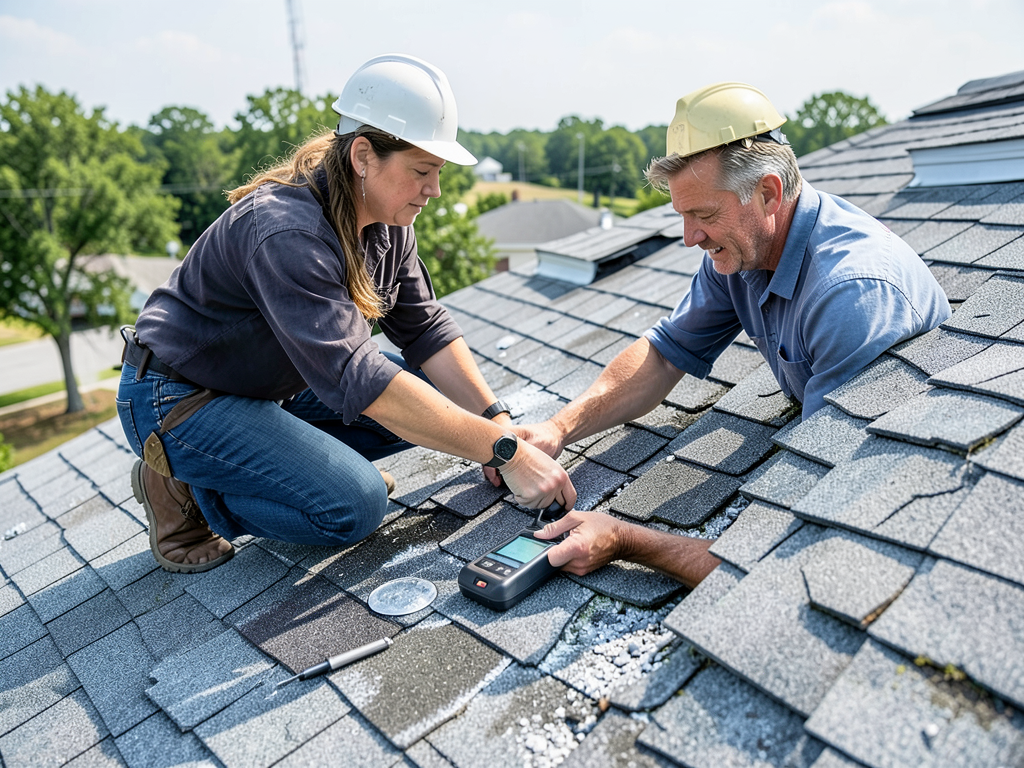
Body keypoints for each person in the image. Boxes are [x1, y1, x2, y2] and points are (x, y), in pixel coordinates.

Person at [117, 54, 575, 574]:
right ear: (363, 155)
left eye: (438, 172)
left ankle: (294, 465)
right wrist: (508, 454)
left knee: (431, 404)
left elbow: (425, 331)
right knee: (352, 506)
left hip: (258, 389)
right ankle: (189, 489)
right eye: (423, 171)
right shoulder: (286, 231)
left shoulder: (389, 221)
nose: (435, 190)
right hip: (179, 399)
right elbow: (363, 381)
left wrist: (497, 427)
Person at [502, 81, 951, 586]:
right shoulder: (741, 250)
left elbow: (794, 543)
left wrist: (625, 540)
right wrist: (559, 429)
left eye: (704, 215)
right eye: (683, 215)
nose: (690, 237)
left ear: (768, 193)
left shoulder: (850, 296)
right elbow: (666, 354)